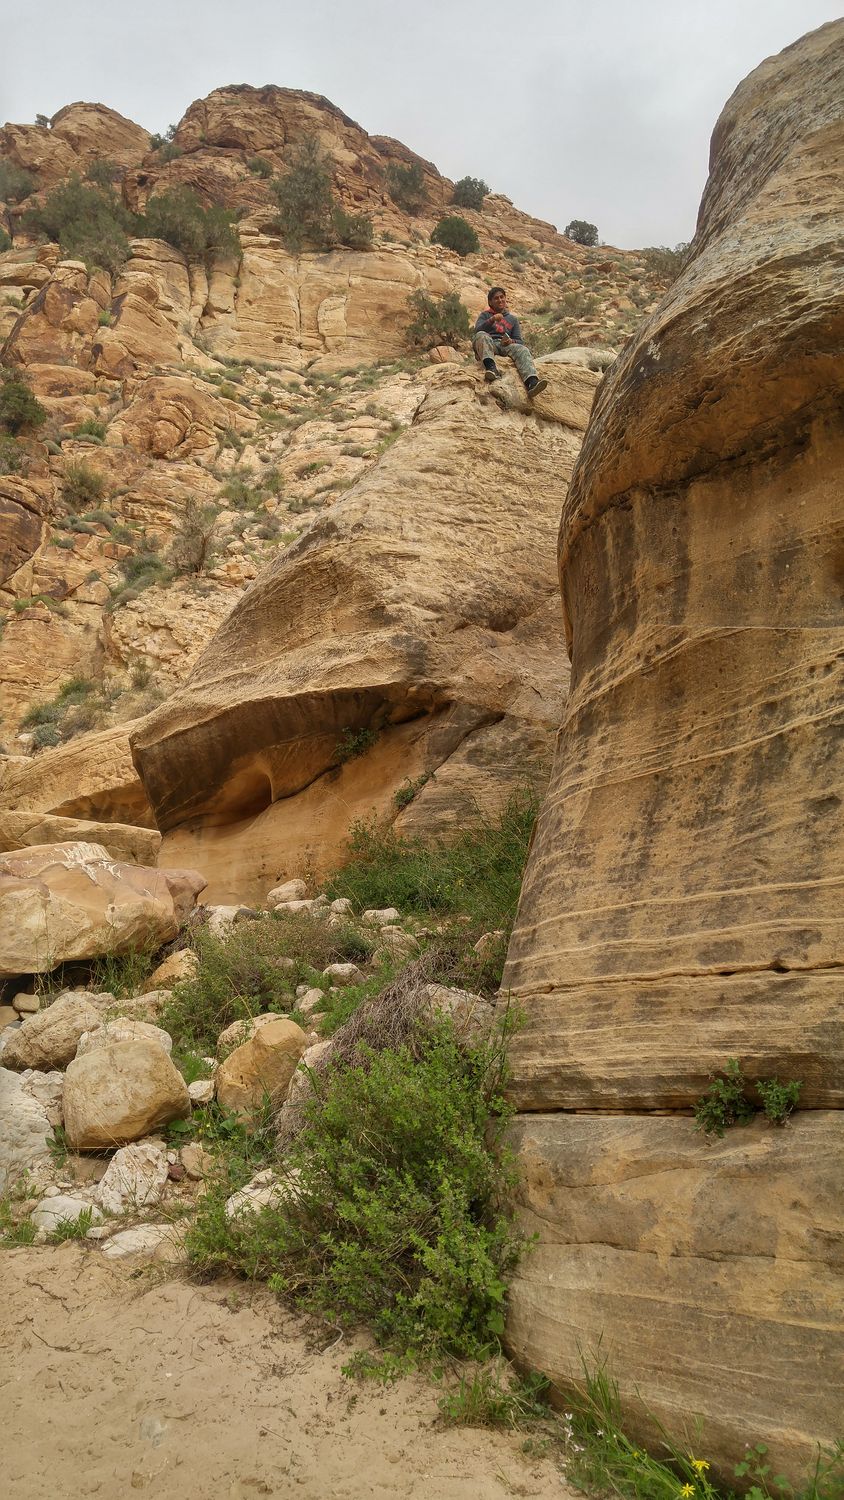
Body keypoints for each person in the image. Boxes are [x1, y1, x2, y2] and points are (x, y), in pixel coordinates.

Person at [473, 287, 547, 397]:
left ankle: (532, 383)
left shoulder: (512, 319)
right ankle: (491, 369)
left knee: (522, 349)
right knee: (481, 335)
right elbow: (477, 331)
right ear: (490, 302)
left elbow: (519, 341)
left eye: (502, 297)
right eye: (496, 298)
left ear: (505, 299)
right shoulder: (485, 315)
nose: (500, 300)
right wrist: (492, 320)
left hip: (504, 346)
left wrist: (510, 341)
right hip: (489, 344)